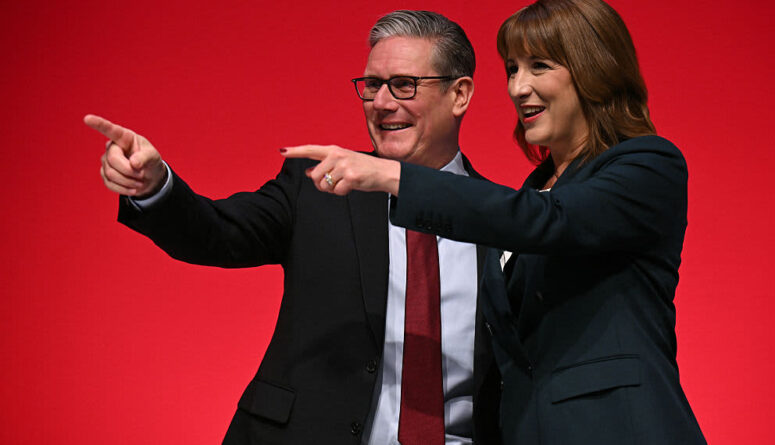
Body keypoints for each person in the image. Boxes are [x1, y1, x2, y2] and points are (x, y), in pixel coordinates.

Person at [282, 0, 707, 444]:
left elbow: (550, 221)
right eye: (512, 69)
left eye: (539, 66)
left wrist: (394, 176)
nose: (518, 88)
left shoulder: (648, 165)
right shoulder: (534, 192)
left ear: (594, 70)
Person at [85, 10, 501, 445]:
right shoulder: (318, 186)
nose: (381, 102)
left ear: (459, 94)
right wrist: (155, 186)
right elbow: (216, 232)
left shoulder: (503, 219)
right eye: (372, 85)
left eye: (403, 84)